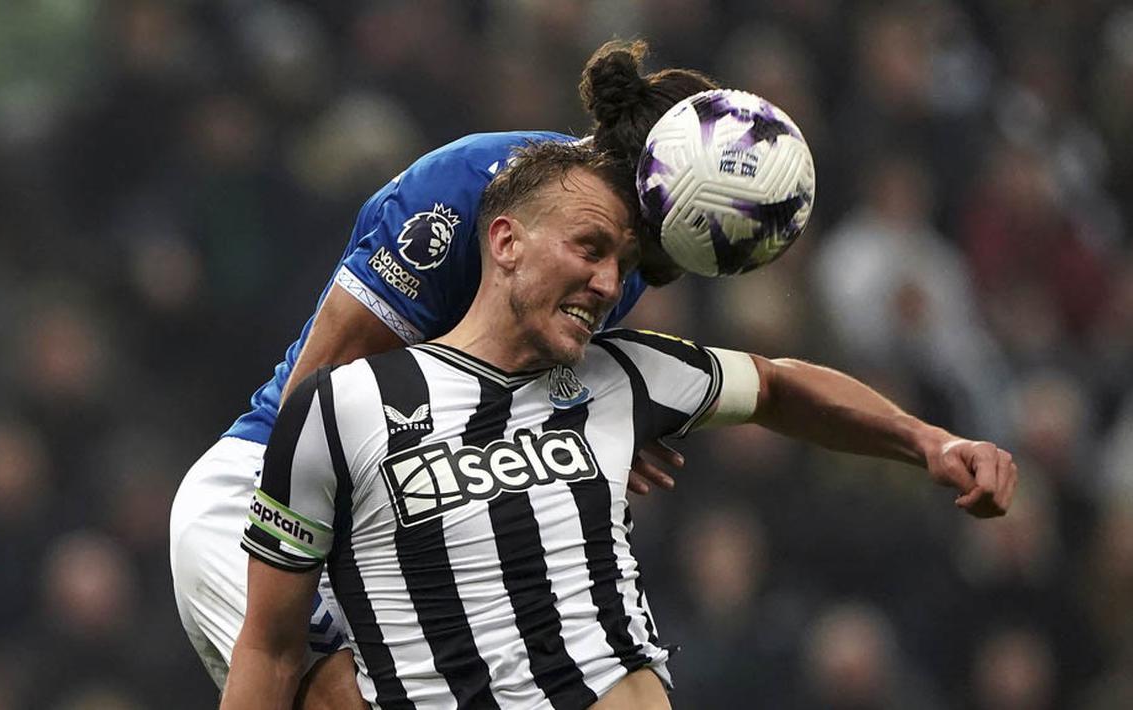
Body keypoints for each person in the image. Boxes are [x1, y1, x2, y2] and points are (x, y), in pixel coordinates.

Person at [221, 141, 1017, 709]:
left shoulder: (621, 375)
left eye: (623, 264)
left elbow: (776, 386)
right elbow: (269, 647)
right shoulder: (342, 406)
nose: (609, 283)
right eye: (589, 249)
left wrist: (927, 441)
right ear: (504, 241)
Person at [169, 39, 717, 707]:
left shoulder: (610, 276)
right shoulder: (464, 188)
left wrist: (585, 423)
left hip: (391, 532)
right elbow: (310, 406)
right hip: (263, 501)